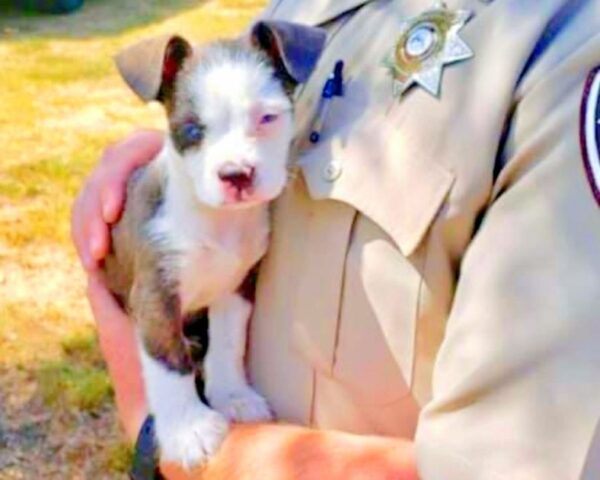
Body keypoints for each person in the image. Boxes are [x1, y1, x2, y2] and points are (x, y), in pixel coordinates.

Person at [71, 0, 600, 479]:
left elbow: (506, 469)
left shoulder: (562, 47)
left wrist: (167, 432)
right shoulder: (302, 10)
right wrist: (168, 171)